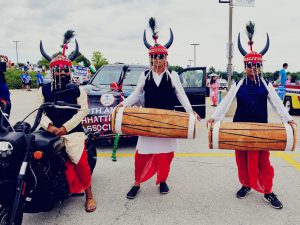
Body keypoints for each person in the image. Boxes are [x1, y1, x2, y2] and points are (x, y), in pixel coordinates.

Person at [207, 22, 296, 209]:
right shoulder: (238, 84)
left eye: (256, 65)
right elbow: (226, 102)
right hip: (239, 129)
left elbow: (278, 104)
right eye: (249, 65)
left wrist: (288, 120)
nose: (253, 68)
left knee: (264, 162)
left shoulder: (266, 84)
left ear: (260, 66)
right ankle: (246, 185)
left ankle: (268, 191)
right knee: (242, 160)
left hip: (261, 131)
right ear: (245, 66)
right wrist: (215, 117)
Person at [120, 18, 198, 199]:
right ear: (150, 58)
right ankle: (137, 182)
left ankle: (162, 180)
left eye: (160, 56)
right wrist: (123, 105)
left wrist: (190, 112)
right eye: (154, 56)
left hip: (167, 122)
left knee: (165, 155)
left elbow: (181, 95)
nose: (157, 59)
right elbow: (136, 95)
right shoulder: (144, 75)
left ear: (166, 58)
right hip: (148, 122)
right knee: (141, 155)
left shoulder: (173, 76)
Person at [39, 30, 96, 212]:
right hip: (49, 132)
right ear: (52, 70)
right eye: (58, 69)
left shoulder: (78, 89)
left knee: (79, 160)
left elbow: (83, 111)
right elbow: (39, 111)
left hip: (73, 132)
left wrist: (65, 127)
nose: (62, 72)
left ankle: (89, 195)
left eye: (65, 69)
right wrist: (49, 126)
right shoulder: (44, 88)